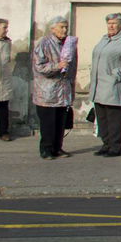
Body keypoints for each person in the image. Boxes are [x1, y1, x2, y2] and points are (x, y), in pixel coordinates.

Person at [89, 12, 121, 158]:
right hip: (99, 86)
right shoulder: (104, 39)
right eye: (109, 23)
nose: (111, 26)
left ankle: (116, 147)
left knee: (114, 118)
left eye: (114, 23)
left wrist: (118, 74)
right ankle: (106, 144)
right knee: (102, 118)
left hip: (114, 86)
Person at [30, 16, 76, 160]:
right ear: (53, 28)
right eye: (61, 27)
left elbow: (72, 67)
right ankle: (46, 149)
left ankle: (57, 147)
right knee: (48, 124)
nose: (64, 30)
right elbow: (39, 67)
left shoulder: (69, 44)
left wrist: (71, 85)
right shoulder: (44, 43)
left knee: (60, 122)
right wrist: (57, 66)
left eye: (66, 27)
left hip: (63, 91)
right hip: (47, 92)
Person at [0, 18, 12, 141]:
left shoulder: (7, 43)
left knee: (2, 107)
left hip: (3, 81)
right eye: (4, 27)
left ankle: (3, 132)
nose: (6, 30)